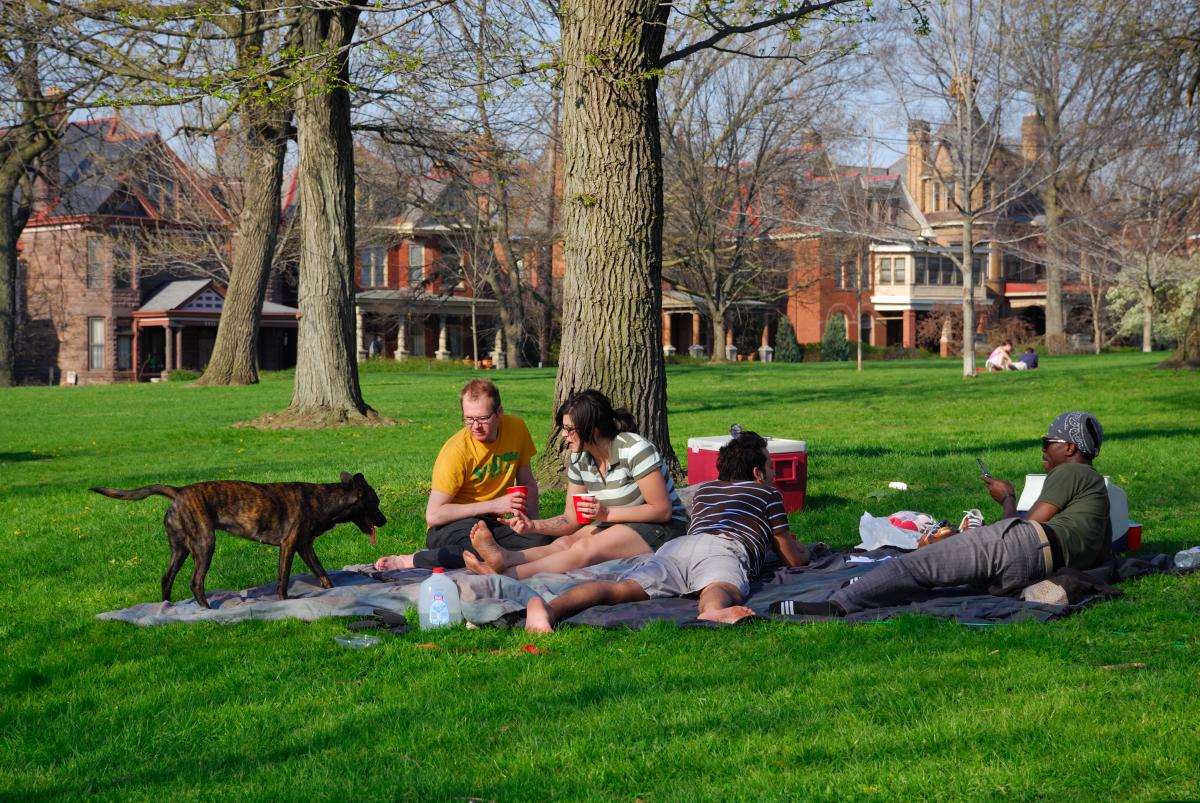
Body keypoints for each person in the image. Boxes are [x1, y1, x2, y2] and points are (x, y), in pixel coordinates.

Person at [791, 411, 1111, 616]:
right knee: (940, 571)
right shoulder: (1098, 496)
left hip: (1025, 549)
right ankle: (869, 587)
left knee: (916, 566)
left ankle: (834, 605)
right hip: (1033, 566)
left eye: (1047, 442)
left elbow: (1025, 528)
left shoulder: (1072, 473)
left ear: (1069, 448)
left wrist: (1008, 498)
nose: (1043, 450)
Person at [520, 431, 811, 632]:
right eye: (770, 467)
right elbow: (790, 556)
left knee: (620, 589)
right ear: (758, 473)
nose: (772, 474)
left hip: (679, 546)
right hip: (724, 547)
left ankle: (550, 608)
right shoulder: (767, 493)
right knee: (718, 587)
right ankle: (711, 611)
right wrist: (803, 551)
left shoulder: (706, 490)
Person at [463, 389, 689, 580]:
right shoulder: (580, 458)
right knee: (565, 542)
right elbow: (571, 520)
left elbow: (661, 510)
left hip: (666, 528)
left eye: (570, 429)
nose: (563, 435)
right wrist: (533, 526)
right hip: (618, 524)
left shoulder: (634, 449)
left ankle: (507, 576)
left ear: (593, 428)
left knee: (584, 549)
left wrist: (607, 513)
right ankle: (505, 559)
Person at [374, 379, 550, 570]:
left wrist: (531, 526)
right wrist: (493, 504)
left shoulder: (517, 428)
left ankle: (500, 554)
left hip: (493, 523)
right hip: (452, 526)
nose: (475, 426)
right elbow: (433, 515)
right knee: (479, 552)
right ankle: (411, 560)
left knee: (544, 541)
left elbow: (527, 483)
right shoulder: (456, 451)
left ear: (499, 412)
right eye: (468, 419)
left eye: (483, 418)